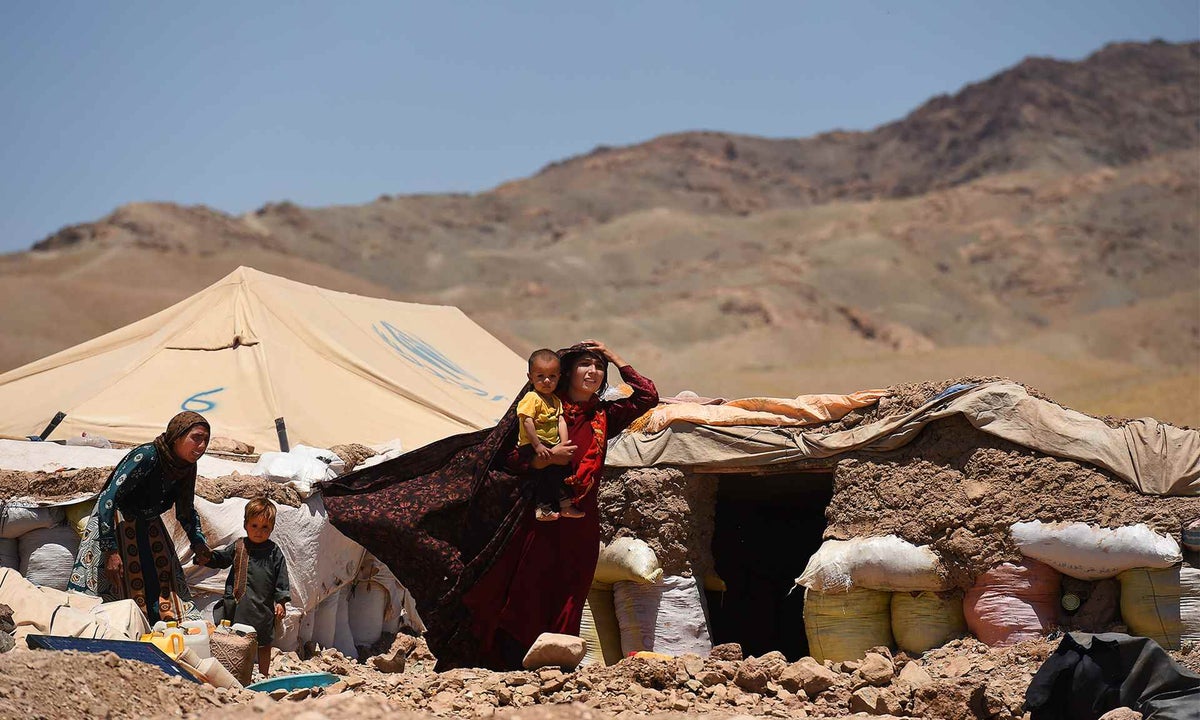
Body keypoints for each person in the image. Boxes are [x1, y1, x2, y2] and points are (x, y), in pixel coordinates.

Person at [321, 339, 657, 670]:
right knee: (531, 588)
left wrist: (615, 355)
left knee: (571, 589)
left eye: (600, 366)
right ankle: (514, 661)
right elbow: (511, 457)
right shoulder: (543, 407)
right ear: (567, 372)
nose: (593, 371)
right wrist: (546, 459)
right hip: (541, 519)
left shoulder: (604, 416)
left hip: (581, 521)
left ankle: (557, 662)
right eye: (586, 364)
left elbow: (647, 396)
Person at [67, 411, 213, 624]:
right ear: (177, 436)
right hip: (117, 523)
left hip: (149, 526)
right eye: (196, 437)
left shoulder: (186, 467)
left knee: (163, 590)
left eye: (206, 440)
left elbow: (185, 509)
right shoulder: (147, 456)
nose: (201, 446)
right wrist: (110, 550)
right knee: (114, 596)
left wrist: (198, 542)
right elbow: (109, 498)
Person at [200, 497, 291, 678]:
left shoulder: (274, 552)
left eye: (265, 527)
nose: (259, 532)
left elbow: (282, 579)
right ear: (245, 525)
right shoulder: (239, 546)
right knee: (234, 640)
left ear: (272, 528)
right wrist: (207, 558)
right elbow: (222, 558)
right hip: (237, 604)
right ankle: (233, 673)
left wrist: (281, 601)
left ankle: (264, 675)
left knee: (263, 643)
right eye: (254, 526)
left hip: (262, 607)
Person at [516, 348, 580, 522]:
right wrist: (537, 445)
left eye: (552, 376)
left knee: (560, 473)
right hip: (532, 445)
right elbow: (527, 422)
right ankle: (542, 510)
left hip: (551, 444)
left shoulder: (555, 400)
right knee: (543, 476)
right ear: (530, 377)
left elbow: (561, 422)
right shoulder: (532, 398)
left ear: (559, 376)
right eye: (540, 376)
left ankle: (565, 506)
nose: (546, 381)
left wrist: (564, 444)